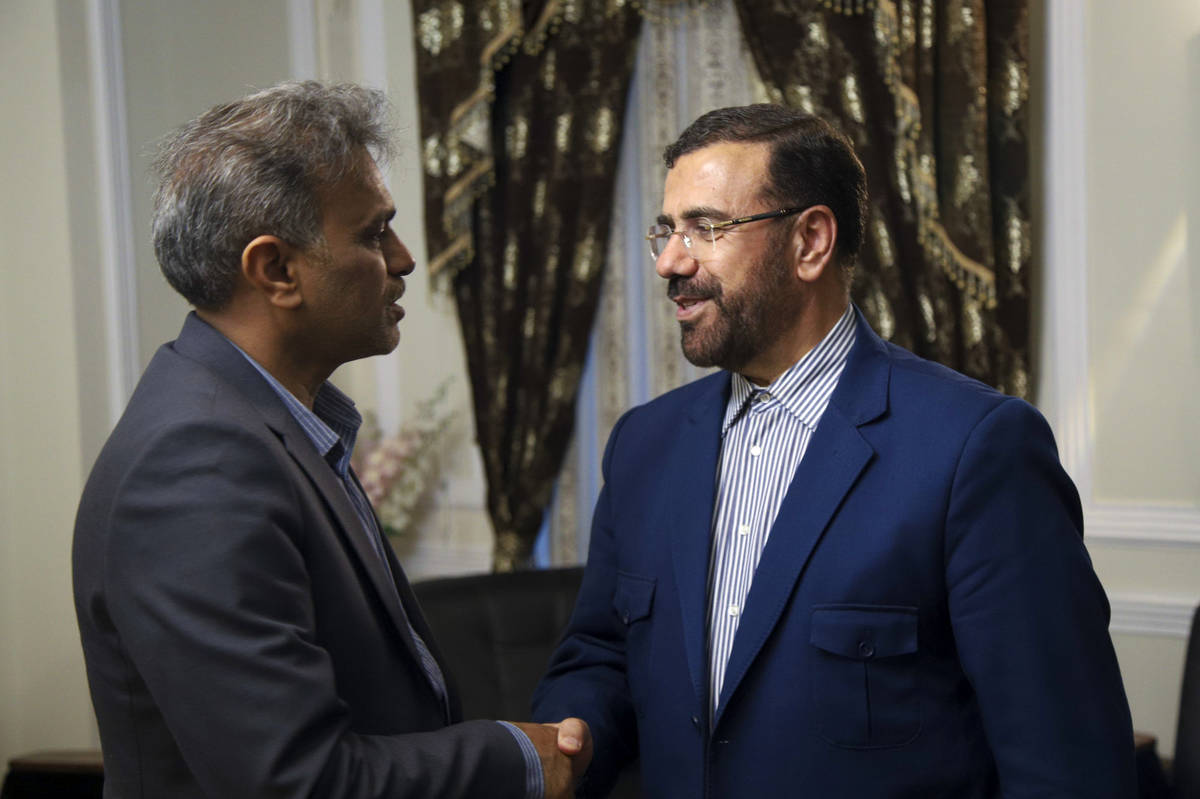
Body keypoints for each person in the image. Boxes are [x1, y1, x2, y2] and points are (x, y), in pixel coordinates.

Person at [532, 105, 1136, 797]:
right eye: (666, 230)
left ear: (811, 241)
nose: (671, 260)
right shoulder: (643, 444)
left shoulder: (976, 449)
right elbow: (603, 654)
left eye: (706, 228)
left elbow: (1066, 764)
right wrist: (568, 740)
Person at [72, 81, 589, 799]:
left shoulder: (265, 425)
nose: (404, 259)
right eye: (374, 234)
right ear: (277, 270)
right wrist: (520, 756)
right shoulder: (198, 462)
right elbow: (297, 782)